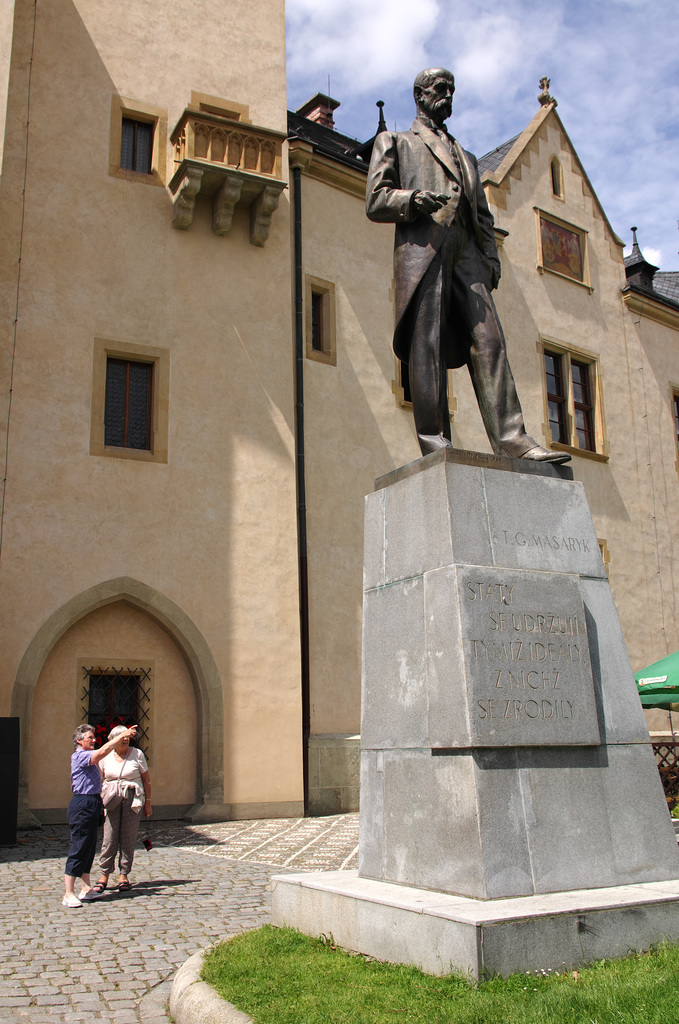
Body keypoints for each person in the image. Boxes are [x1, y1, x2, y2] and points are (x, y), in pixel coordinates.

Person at [366, 67, 570, 463]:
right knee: (426, 347)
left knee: (490, 342)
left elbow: (483, 216)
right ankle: (435, 441)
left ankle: (512, 438)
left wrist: (491, 259)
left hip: (467, 256)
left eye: (452, 90)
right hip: (425, 250)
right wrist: (412, 201)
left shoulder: (468, 157)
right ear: (420, 95)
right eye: (440, 89)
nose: (448, 96)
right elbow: (376, 199)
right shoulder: (395, 142)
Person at [63, 722, 137, 908]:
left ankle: (85, 889)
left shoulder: (88, 755)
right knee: (79, 848)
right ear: (79, 741)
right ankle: (68, 893)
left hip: (93, 801)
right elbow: (103, 753)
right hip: (83, 803)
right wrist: (121, 736)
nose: (94, 740)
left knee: (88, 849)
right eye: (90, 737)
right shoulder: (80, 756)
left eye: (94, 737)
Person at [92, 724, 152, 894]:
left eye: (127, 737)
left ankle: (124, 874)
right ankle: (104, 874)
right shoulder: (106, 757)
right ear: (113, 740)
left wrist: (148, 802)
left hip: (133, 800)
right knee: (109, 837)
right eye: (122, 737)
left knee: (128, 837)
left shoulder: (137, 754)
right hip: (111, 800)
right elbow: (99, 779)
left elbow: (146, 780)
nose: (125, 739)